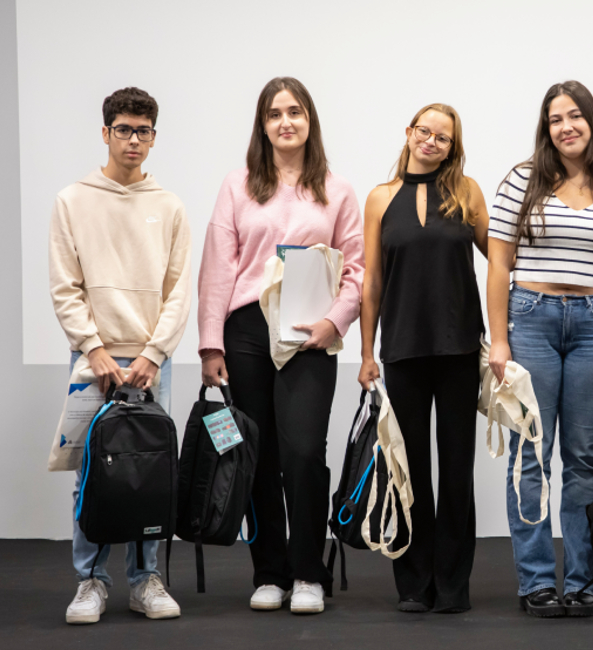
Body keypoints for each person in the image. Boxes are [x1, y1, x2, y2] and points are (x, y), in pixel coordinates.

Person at [197, 77, 364, 615]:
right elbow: (218, 268)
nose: (285, 121)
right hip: (246, 330)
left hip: (308, 332)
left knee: (302, 453)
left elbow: (357, 271)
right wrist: (210, 344)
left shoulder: (337, 190)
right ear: (262, 124)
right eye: (274, 114)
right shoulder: (238, 185)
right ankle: (270, 572)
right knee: (258, 455)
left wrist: (335, 322)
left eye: (295, 112)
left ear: (309, 120)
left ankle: (309, 574)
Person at [487, 80, 593, 618]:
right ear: (546, 128)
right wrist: (500, 339)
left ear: (592, 122)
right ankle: (535, 582)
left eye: (575, 116)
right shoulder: (521, 181)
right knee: (531, 455)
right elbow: (499, 264)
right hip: (530, 318)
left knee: (584, 457)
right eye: (556, 119)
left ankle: (580, 582)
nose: (566, 126)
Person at [50, 86, 191, 624]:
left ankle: (145, 579)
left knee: (150, 470)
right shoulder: (73, 200)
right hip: (93, 359)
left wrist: (154, 354)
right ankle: (90, 581)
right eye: (124, 129)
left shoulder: (169, 205)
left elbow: (178, 290)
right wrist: (94, 349)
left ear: (154, 137)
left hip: (152, 361)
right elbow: (66, 286)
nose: (134, 140)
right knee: (92, 472)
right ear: (106, 132)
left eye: (144, 131)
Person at [357, 103, 489, 613]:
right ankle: (414, 584)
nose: (431, 141)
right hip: (403, 351)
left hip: (458, 348)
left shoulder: (466, 191)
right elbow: (372, 281)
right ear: (409, 133)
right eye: (424, 131)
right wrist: (366, 352)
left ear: (453, 147)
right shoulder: (380, 198)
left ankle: (453, 586)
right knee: (408, 472)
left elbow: (499, 258)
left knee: (457, 470)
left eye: (443, 137)